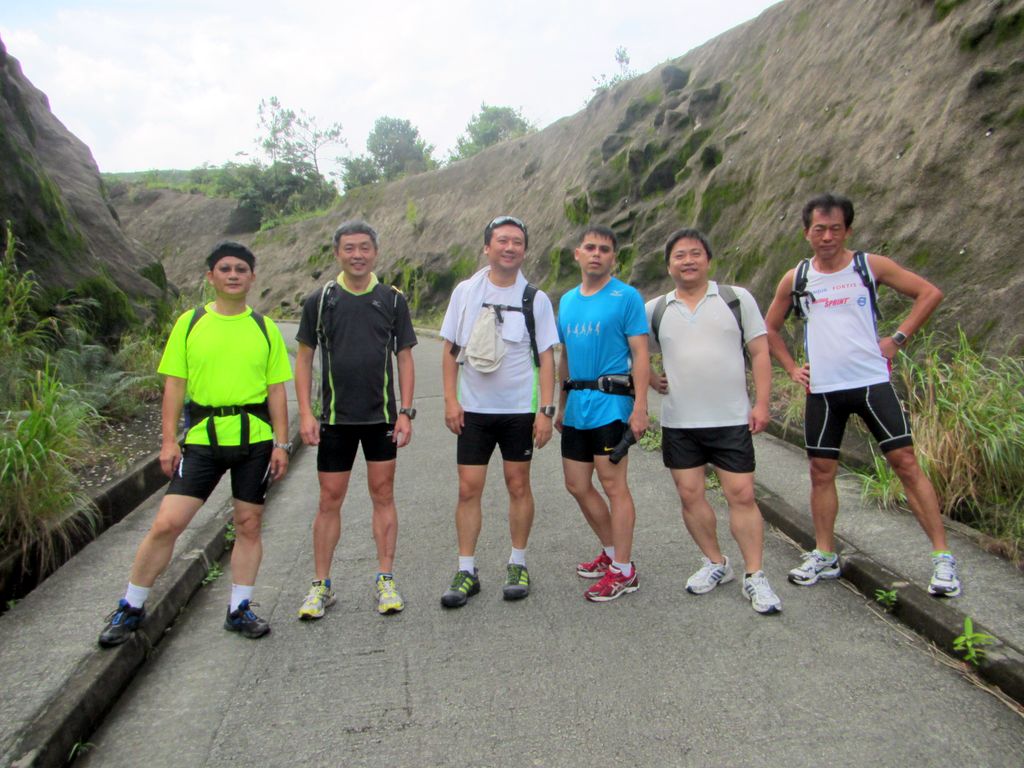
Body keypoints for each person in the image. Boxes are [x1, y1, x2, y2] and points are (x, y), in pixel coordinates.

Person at [764, 193, 960, 596]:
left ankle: (943, 559)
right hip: (823, 390)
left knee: (905, 464)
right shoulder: (797, 277)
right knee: (821, 472)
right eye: (819, 229)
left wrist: (897, 339)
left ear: (848, 230)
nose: (827, 236)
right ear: (806, 233)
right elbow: (769, 327)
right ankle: (824, 554)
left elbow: (929, 293)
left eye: (835, 228)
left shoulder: (868, 266)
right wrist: (791, 368)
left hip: (871, 383)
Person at [98, 241, 292, 646]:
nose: (233, 275)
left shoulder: (264, 327)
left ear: (252, 277)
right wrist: (169, 441)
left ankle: (239, 608)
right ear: (210, 277)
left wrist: (281, 443)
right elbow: (174, 385)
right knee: (167, 523)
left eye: (241, 269)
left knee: (249, 524)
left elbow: (277, 390)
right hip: (202, 439)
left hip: (255, 440)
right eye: (225, 269)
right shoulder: (190, 323)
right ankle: (131, 606)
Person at [647, 228, 781, 614]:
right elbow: (632, 351)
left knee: (741, 495)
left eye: (695, 253)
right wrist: (652, 379)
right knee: (690, 495)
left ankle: (755, 575)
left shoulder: (735, 299)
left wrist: (762, 404)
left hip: (730, 419)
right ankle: (715, 562)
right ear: (668, 265)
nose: (688, 261)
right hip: (679, 422)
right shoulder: (655, 309)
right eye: (679, 255)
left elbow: (760, 352)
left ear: (708, 260)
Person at [294, 221, 417, 618]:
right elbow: (304, 358)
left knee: (383, 494)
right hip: (335, 419)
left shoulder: (392, 300)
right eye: (349, 248)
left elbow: (404, 357)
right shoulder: (320, 300)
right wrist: (306, 413)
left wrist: (406, 412)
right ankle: (321, 585)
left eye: (364, 247)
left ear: (375, 252)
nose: (357, 255)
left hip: (381, 418)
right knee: (329, 499)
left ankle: (386, 579)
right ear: (337, 253)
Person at [438, 215, 558, 608]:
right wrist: (450, 400)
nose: (510, 248)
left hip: (518, 411)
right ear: (487, 247)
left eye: (517, 242)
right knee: (468, 488)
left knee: (518, 485)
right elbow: (450, 351)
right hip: (473, 410)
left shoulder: (535, 299)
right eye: (502, 241)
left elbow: (546, 356)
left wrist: (545, 410)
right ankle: (466, 570)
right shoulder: (465, 293)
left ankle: (517, 563)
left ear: (525, 250)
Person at [556, 225, 649, 602]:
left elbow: (640, 354)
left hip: (612, 403)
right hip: (577, 405)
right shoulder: (566, 301)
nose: (597, 254)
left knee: (614, 485)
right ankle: (612, 553)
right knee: (576, 484)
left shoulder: (626, 297)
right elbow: (564, 355)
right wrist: (561, 404)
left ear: (614, 258)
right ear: (577, 254)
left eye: (605, 249)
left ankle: (624, 570)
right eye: (590, 247)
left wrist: (640, 408)